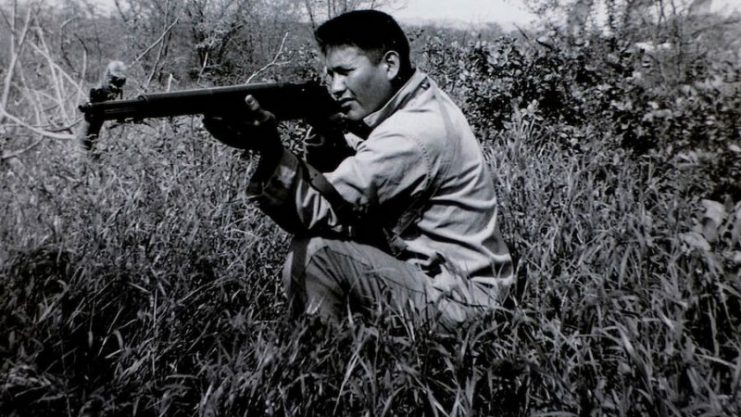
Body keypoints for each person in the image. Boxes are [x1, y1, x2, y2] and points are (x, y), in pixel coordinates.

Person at [204, 10, 513, 328]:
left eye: (345, 72)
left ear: (390, 65)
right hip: (473, 285)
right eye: (330, 75)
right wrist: (327, 132)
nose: (335, 87)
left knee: (315, 254)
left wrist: (270, 150)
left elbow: (319, 214)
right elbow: (354, 183)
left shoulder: (411, 133)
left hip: (462, 302)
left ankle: (324, 366)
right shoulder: (421, 99)